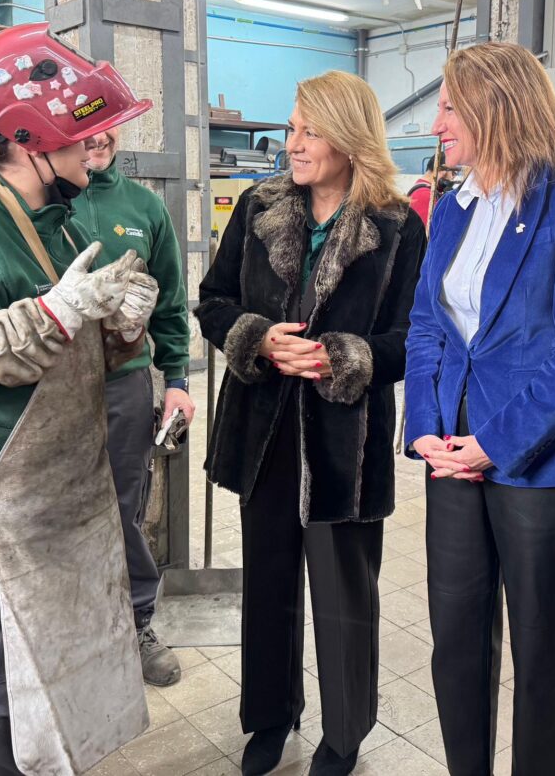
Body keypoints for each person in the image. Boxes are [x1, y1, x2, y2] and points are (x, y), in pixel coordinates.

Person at [0, 22, 155, 773]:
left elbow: (71, 356)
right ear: (30, 137)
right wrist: (51, 315)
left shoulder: (59, 223)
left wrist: (117, 328)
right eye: (82, 135)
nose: (96, 146)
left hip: (46, 485)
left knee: (46, 680)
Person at [403, 41, 555, 776]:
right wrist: (426, 428)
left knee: (541, 658)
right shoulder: (451, 208)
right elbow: (428, 325)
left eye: (449, 107)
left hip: (543, 461)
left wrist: (495, 442)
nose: (437, 124)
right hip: (453, 454)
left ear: (496, 106)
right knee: (456, 644)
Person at [195, 70, 425, 776]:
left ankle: (345, 732)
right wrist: (258, 338)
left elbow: (412, 338)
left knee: (344, 594)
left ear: (350, 138)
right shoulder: (258, 206)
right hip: (262, 431)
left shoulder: (397, 227)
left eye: (310, 131)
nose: (292, 144)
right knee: (267, 587)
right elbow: (214, 300)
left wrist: (343, 358)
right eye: (291, 129)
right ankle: (270, 717)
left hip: (342, 444)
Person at [75, 128, 194, 686]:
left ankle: (137, 621)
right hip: (52, 391)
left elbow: (170, 302)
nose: (97, 137)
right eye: (83, 125)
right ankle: (72, 632)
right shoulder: (41, 202)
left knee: (125, 507)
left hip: (124, 383)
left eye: (106, 124)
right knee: (60, 511)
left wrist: (177, 379)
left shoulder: (144, 207)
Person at [407, 150, 456, 226]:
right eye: (453, 173)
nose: (453, 177)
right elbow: (429, 231)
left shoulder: (423, 190)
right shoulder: (426, 195)